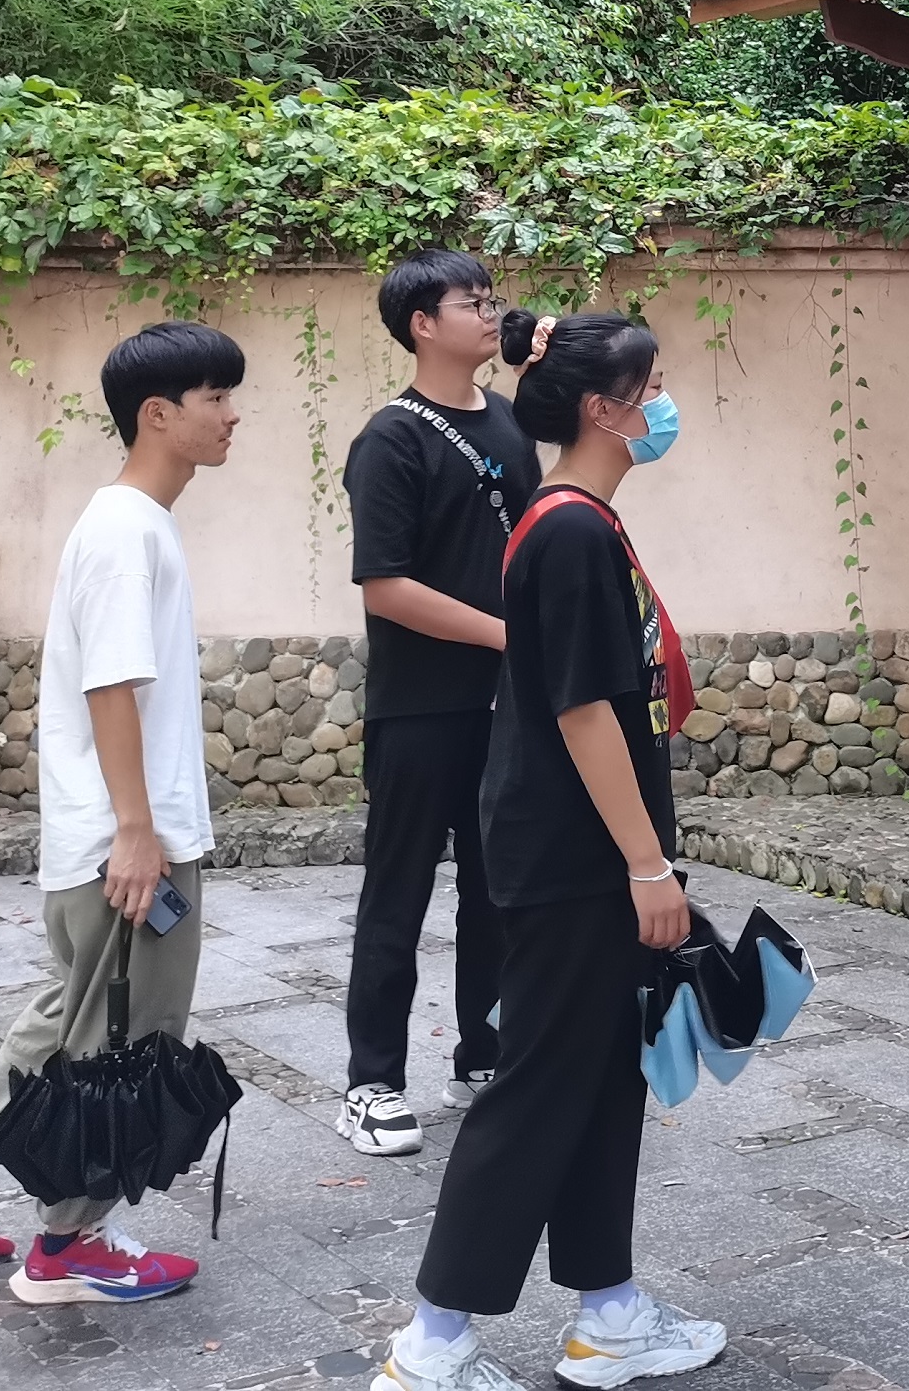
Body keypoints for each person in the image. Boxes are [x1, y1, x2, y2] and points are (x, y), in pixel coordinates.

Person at [378, 310, 728, 1391]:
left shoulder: (577, 519)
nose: (663, 404)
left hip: (582, 851)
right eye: (651, 387)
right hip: (574, 859)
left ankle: (608, 1312)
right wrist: (646, 866)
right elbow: (584, 713)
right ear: (602, 410)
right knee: (536, 1085)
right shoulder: (570, 528)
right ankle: (432, 1342)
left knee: (602, 1081)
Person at [0, 321, 239, 1303]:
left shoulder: (132, 522)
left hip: (107, 835)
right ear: (158, 415)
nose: (232, 415)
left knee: (63, 1022)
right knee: (129, 1041)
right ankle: (70, 1247)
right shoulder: (125, 533)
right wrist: (138, 832)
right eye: (215, 397)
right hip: (127, 841)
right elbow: (112, 685)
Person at [338, 250, 536, 1157]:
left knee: (498, 894)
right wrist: (507, 635)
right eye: (472, 302)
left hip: (507, 706)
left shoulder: (510, 421)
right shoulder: (392, 438)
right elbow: (386, 586)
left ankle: (487, 1056)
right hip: (419, 709)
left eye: (493, 300)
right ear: (422, 323)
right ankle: (371, 1082)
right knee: (399, 892)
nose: (491, 313)